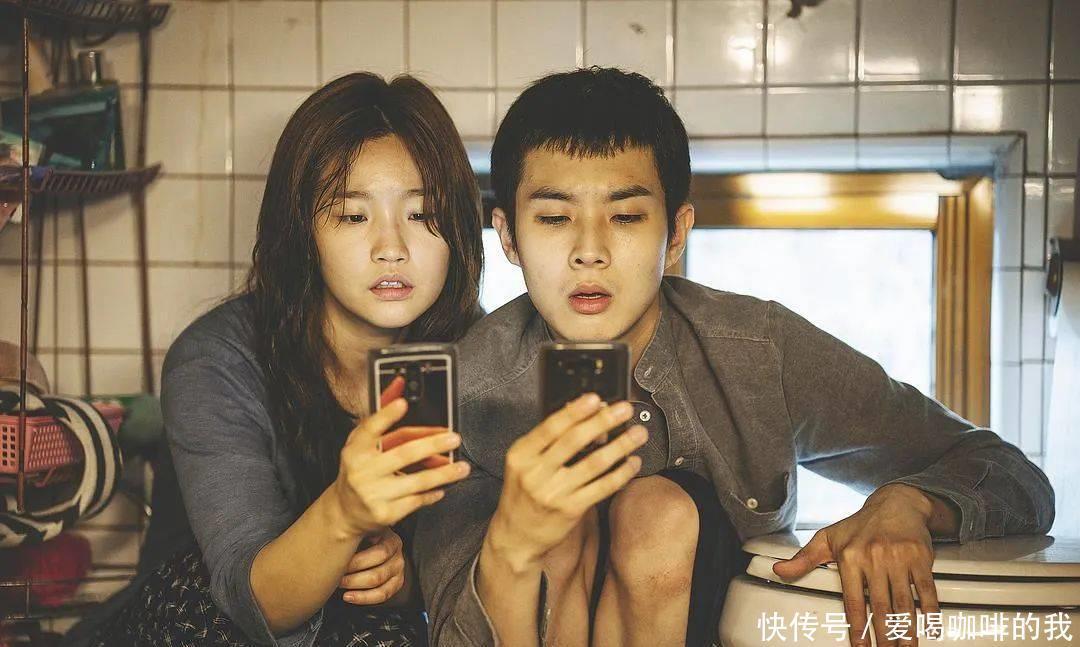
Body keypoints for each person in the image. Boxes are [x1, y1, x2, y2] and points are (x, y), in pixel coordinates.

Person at [412, 67, 1055, 647]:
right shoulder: (458, 388)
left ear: (676, 233)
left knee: (655, 513)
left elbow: (1007, 472)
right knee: (553, 527)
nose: (590, 251)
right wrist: (514, 539)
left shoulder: (756, 351)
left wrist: (909, 503)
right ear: (508, 237)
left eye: (626, 217)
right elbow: (446, 630)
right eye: (555, 219)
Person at [89, 72, 484, 646]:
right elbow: (250, 602)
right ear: (303, 231)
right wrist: (344, 512)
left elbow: (482, 565)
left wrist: (405, 583)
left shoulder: (479, 357)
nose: (392, 247)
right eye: (353, 216)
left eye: (422, 214)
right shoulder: (218, 360)